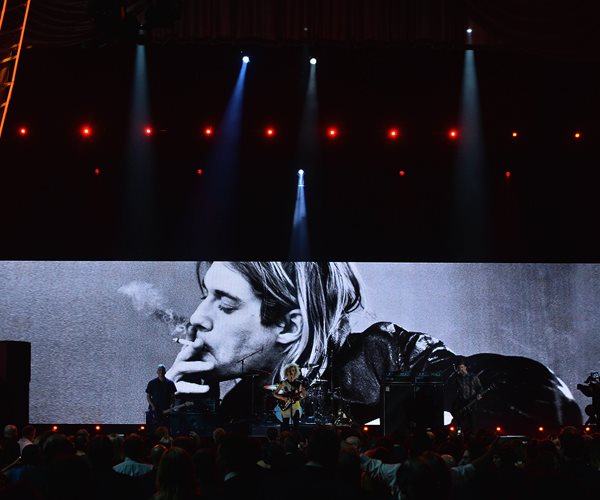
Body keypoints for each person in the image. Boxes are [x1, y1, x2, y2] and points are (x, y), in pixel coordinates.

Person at [166, 261, 582, 430]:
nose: (199, 317)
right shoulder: (240, 405)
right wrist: (186, 409)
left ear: (289, 325)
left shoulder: (387, 354)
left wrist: (403, 440)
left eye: (223, 303)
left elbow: (535, 393)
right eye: (205, 296)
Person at [449, 359, 482, 431]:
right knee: (460, 422)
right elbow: (451, 387)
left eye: (462, 367)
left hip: (472, 402)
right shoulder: (457, 378)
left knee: (472, 422)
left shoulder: (473, 376)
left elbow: (479, 387)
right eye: (459, 368)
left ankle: (473, 436)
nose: (461, 369)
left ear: (465, 367)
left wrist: (479, 394)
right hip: (461, 402)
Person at [272, 363, 307, 430]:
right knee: (285, 426)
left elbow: (302, 396)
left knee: (296, 426)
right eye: (289, 370)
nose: (291, 372)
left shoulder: (299, 383)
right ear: (286, 372)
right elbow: (274, 393)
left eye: (293, 370)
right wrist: (282, 398)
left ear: (295, 372)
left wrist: (303, 393)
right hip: (285, 406)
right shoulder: (283, 383)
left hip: (296, 407)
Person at [146, 364, 177, 429]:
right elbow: (148, 396)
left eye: (163, 370)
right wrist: (153, 406)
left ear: (165, 372)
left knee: (166, 427)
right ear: (157, 372)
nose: (161, 372)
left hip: (166, 409)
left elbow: (173, 396)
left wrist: (172, 405)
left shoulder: (170, 383)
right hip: (155, 410)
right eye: (159, 370)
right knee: (154, 428)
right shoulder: (152, 383)